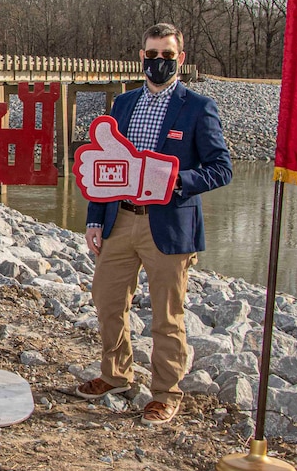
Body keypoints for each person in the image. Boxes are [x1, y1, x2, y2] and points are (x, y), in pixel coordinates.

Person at [78, 22, 232, 426]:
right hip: (121, 220)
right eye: (152, 55)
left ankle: (166, 393)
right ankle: (115, 376)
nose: (158, 62)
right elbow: (105, 164)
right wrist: (95, 217)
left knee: (167, 316)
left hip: (169, 224)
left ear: (179, 59)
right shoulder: (124, 105)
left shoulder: (197, 108)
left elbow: (221, 168)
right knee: (108, 302)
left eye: (167, 55)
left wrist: (179, 181)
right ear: (141, 57)